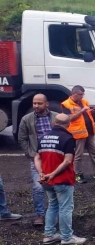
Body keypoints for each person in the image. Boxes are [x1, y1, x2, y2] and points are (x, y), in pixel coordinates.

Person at [33, 114, 86, 245]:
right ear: (68, 125)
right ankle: (67, 237)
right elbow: (68, 161)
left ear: (54, 123)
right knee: (65, 208)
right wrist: (53, 174)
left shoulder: (43, 137)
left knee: (52, 205)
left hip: (46, 180)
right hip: (62, 180)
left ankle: (49, 235)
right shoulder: (67, 138)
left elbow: (37, 157)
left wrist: (41, 173)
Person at [18, 94, 56, 226]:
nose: (36, 106)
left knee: (56, 186)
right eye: (34, 103)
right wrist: (31, 154)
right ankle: (40, 215)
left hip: (54, 157)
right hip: (37, 158)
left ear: (47, 104)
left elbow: (65, 134)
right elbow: (22, 138)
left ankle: (55, 214)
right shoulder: (26, 119)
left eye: (39, 103)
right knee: (38, 187)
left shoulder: (56, 117)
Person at [61, 85, 95, 183]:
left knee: (94, 153)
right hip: (79, 134)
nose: (82, 96)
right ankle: (77, 174)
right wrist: (82, 110)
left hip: (90, 131)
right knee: (78, 155)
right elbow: (69, 118)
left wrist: (93, 112)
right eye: (80, 94)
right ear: (74, 94)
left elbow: (90, 115)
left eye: (83, 94)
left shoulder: (84, 102)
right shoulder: (66, 104)